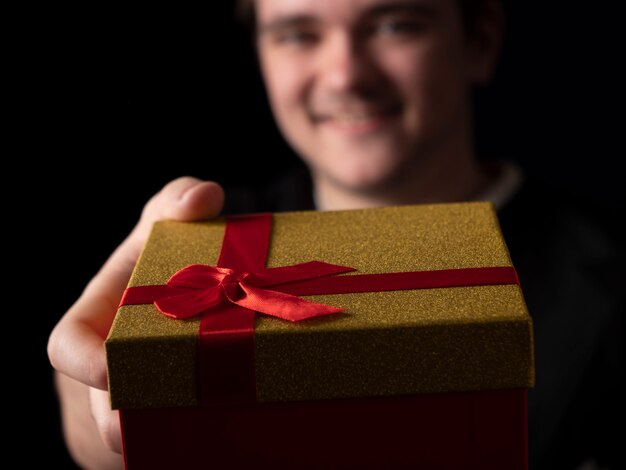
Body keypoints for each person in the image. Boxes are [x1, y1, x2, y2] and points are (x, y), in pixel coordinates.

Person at [48, 0, 624, 469]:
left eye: (396, 24)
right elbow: (93, 444)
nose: (346, 75)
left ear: (480, 40)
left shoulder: (613, 266)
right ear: (260, 55)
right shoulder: (201, 245)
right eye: (298, 34)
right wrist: (105, 353)